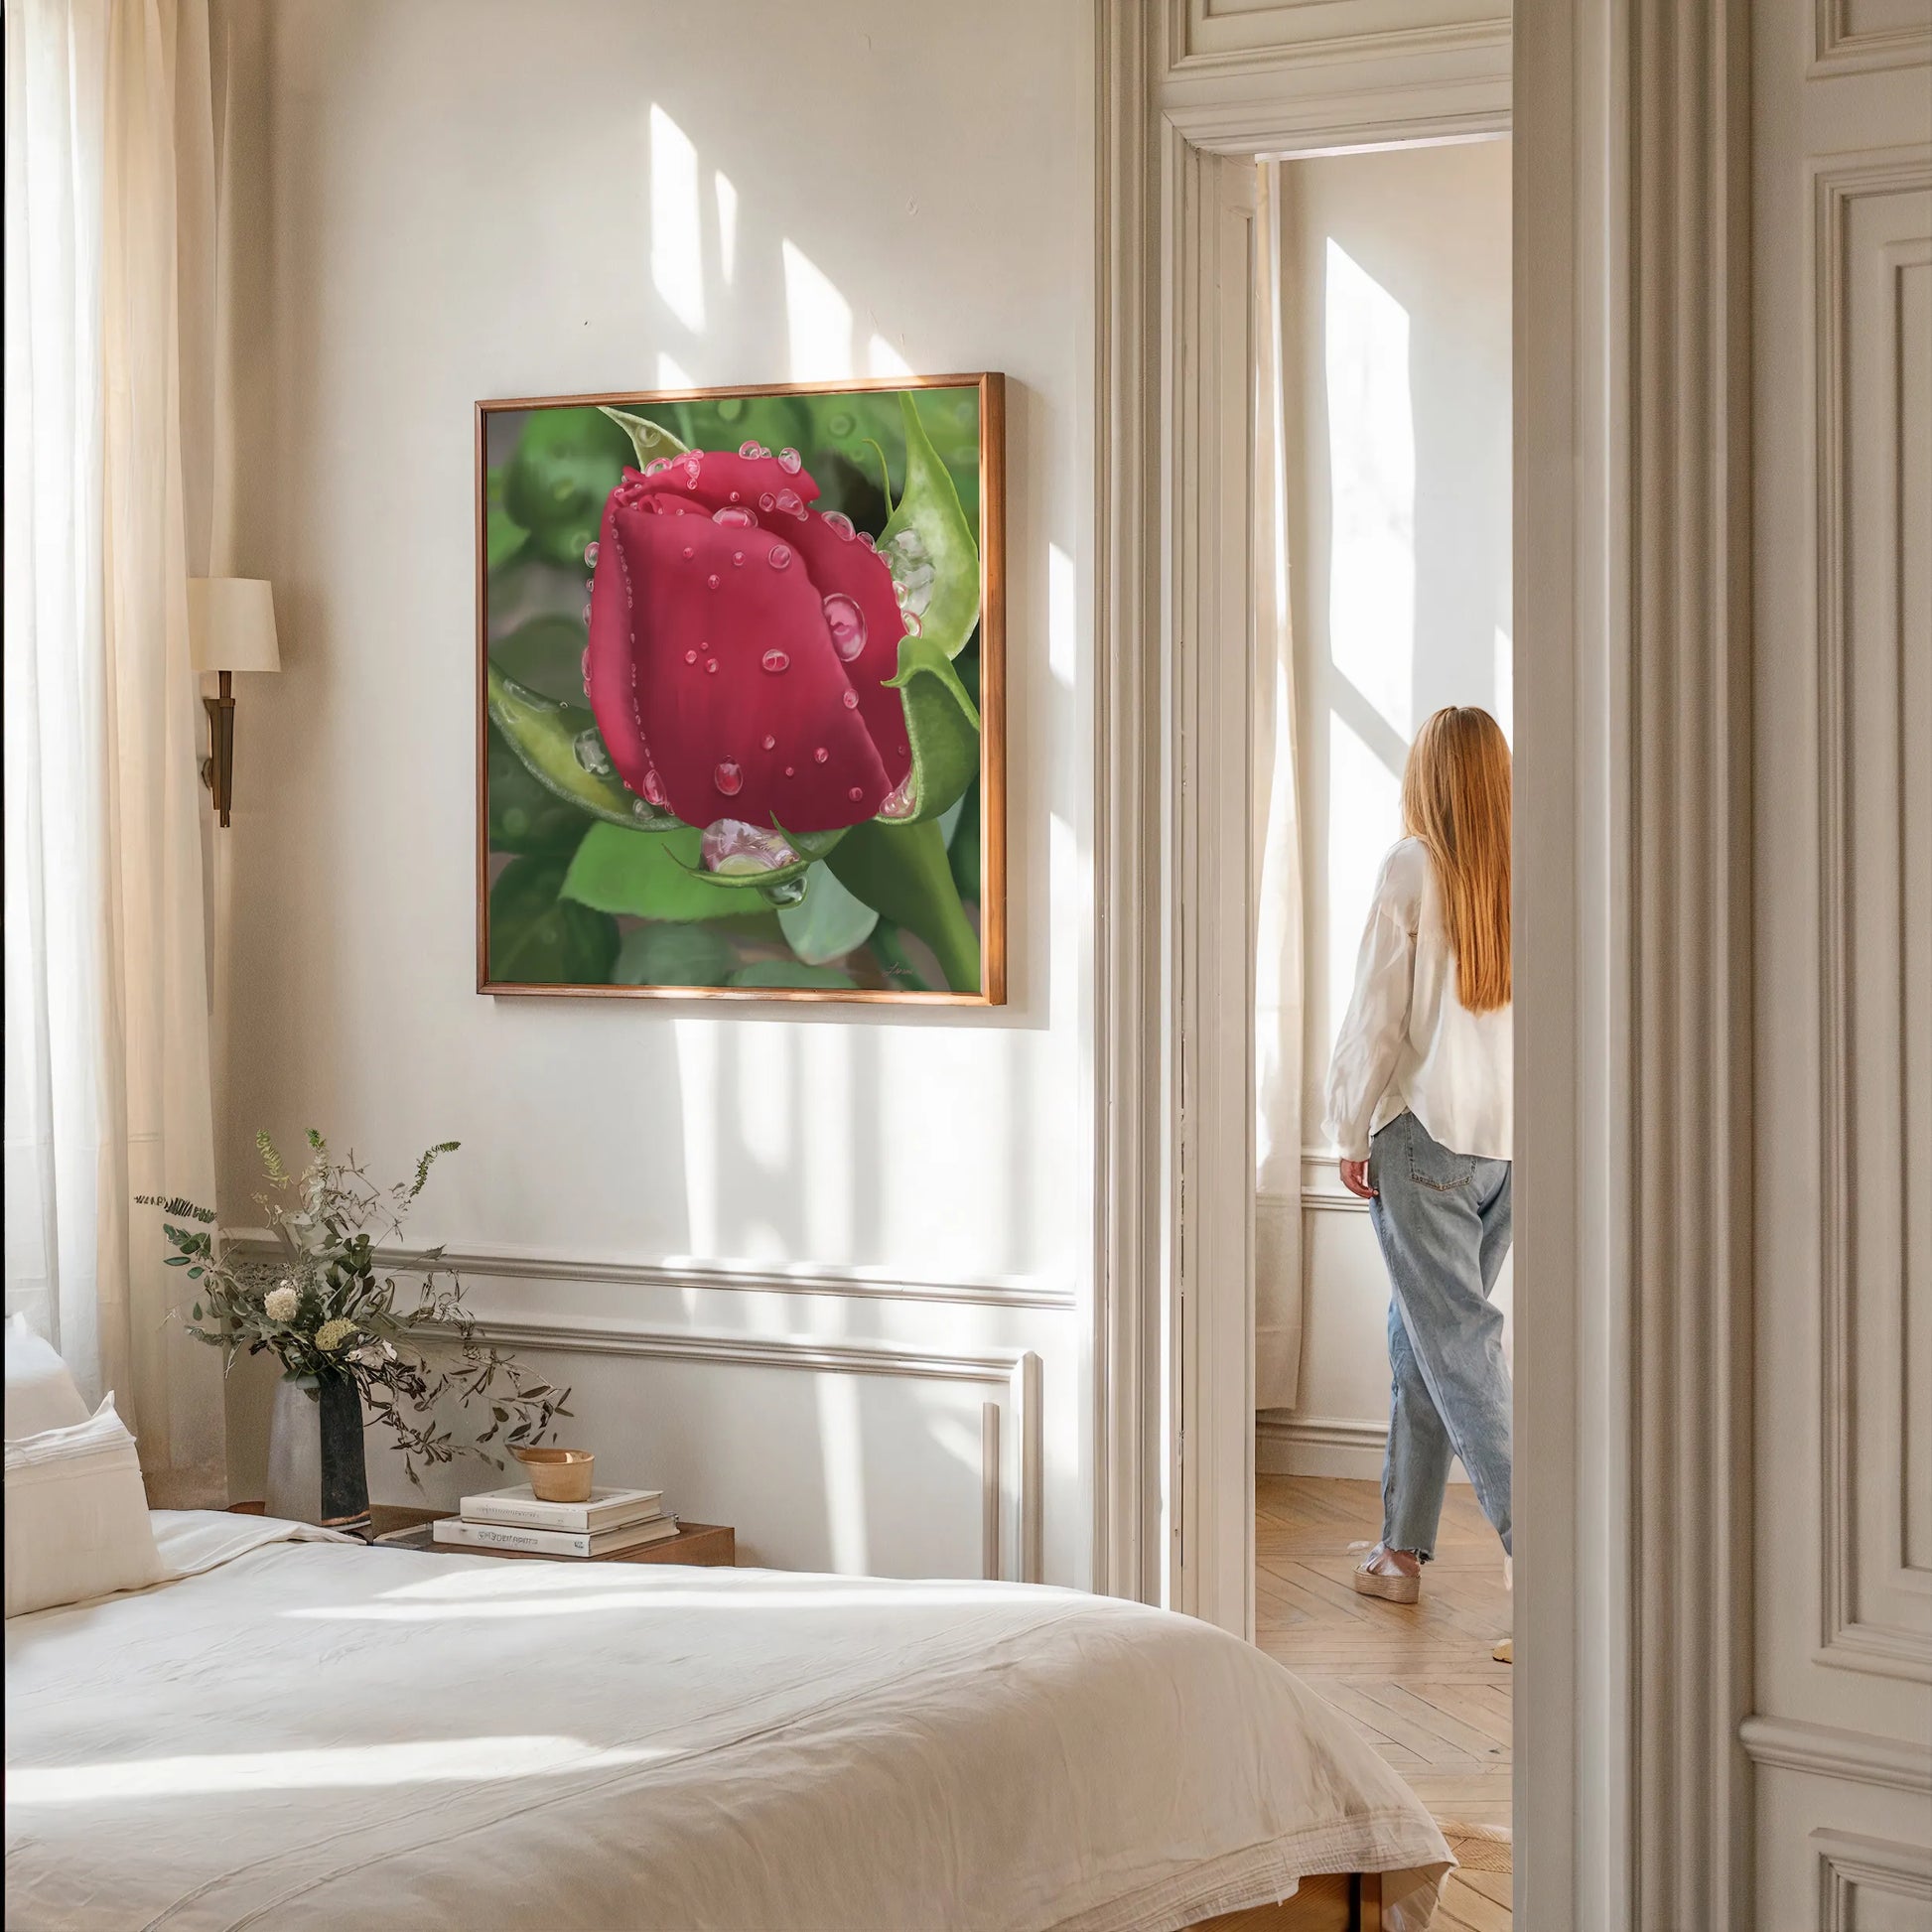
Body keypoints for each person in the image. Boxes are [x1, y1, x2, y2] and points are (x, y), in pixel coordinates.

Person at [1321, 706, 1513, 1658]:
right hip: (1507, 1150)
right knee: (1426, 1338)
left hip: (1423, 1141)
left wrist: (1347, 1124)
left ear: (1426, 777)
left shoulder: (1413, 866)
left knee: (1457, 1350)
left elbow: (1376, 1017)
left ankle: (1550, 1564)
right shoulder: (1530, 865)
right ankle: (1398, 1553)